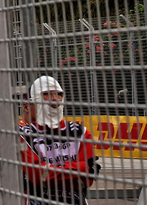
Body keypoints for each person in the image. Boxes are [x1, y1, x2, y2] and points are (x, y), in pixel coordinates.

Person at [19, 75, 98, 205]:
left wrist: (49, 172)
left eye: (59, 94)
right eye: (46, 94)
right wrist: (78, 170)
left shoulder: (81, 132)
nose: (55, 99)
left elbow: (87, 180)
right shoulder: (22, 135)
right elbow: (38, 176)